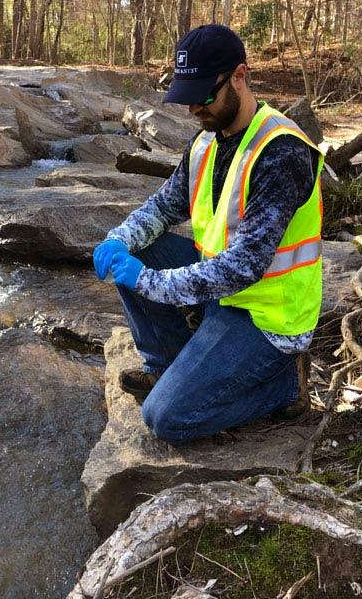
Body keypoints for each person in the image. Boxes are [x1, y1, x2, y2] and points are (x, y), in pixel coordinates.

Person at [93, 24, 323, 444]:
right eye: (187, 98)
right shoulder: (206, 142)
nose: (194, 109)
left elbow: (245, 266)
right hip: (221, 296)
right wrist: (119, 239)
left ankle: (285, 386)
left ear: (240, 75)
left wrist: (147, 281)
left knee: (166, 418)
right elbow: (165, 205)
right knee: (139, 249)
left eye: (203, 96)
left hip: (267, 316)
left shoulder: (281, 150)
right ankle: (166, 365)